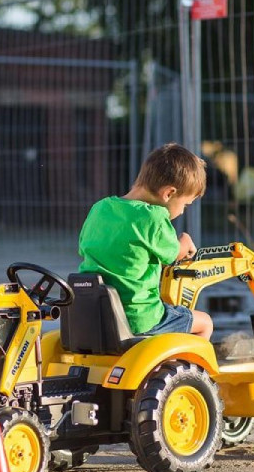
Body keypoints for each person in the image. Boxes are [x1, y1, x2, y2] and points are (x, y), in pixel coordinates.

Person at [78, 142, 213, 340]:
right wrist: (184, 241)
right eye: (185, 204)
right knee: (204, 323)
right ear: (169, 193)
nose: (183, 210)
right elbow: (173, 254)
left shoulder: (100, 208)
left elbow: (84, 247)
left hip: (94, 314)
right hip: (138, 318)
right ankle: (189, 370)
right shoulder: (154, 218)